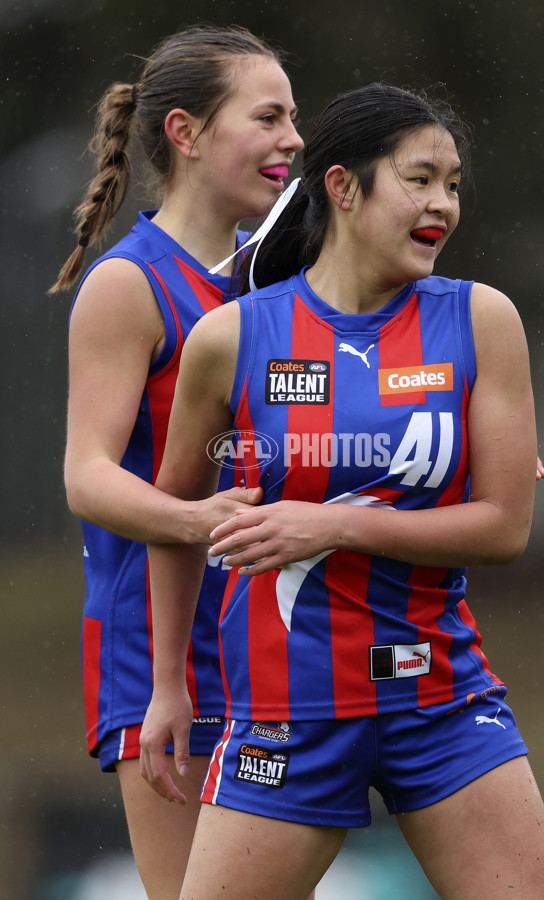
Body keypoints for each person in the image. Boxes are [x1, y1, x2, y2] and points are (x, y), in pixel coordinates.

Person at [140, 82, 544, 899]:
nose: (443, 203)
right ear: (341, 186)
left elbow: (505, 529)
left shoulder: (482, 321)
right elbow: (175, 520)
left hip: (442, 701)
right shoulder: (232, 338)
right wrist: (168, 685)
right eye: (420, 178)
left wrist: (331, 525)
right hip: (281, 714)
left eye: (453, 184)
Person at [50, 24, 303, 899]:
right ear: (187, 134)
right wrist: (201, 520)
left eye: (294, 119)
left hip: (272, 642)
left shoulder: (280, 281)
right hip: (162, 657)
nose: (294, 141)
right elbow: (87, 474)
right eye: (267, 117)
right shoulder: (131, 283)